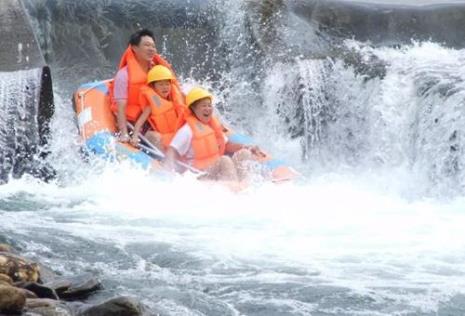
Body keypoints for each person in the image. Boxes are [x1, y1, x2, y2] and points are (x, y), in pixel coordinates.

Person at [164, 87, 264, 182]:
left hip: (215, 169)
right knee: (225, 160)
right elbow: (172, 150)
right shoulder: (187, 130)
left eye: (209, 105)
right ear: (193, 109)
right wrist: (169, 171)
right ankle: (235, 190)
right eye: (203, 106)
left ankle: (245, 185)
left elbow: (227, 145)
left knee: (244, 153)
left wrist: (247, 147)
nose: (208, 108)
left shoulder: (212, 126)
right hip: (199, 175)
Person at [110, 28, 182, 142]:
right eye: (147, 45)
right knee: (156, 138)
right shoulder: (123, 75)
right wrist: (124, 133)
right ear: (134, 48)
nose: (151, 49)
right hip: (136, 121)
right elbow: (121, 108)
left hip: (158, 113)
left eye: (153, 46)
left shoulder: (158, 70)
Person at [130, 65, 186, 150]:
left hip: (170, 135)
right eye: (161, 85)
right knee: (156, 137)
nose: (165, 87)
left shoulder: (176, 99)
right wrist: (134, 136)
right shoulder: (151, 105)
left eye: (167, 84)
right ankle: (162, 161)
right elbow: (139, 123)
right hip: (152, 135)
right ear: (153, 87)